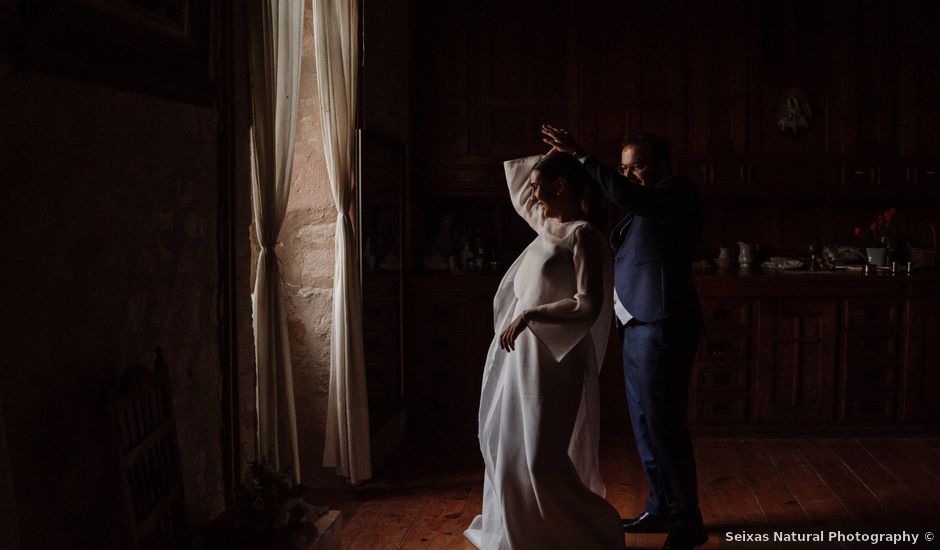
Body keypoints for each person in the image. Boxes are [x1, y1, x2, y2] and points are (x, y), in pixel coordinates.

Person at [541, 125, 708, 550]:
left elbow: (634, 197)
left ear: (664, 165)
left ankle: (687, 521)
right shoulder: (640, 204)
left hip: (663, 324)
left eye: (639, 167)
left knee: (664, 424)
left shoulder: (675, 193)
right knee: (643, 423)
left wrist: (582, 157)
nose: (630, 176)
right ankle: (661, 507)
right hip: (634, 325)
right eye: (625, 169)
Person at [464, 152, 623, 550]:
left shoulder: (583, 235)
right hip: (522, 354)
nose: (531, 195)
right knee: (511, 447)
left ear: (561, 187)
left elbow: (588, 303)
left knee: (541, 457)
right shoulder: (545, 224)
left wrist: (531, 314)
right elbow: (518, 185)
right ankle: (529, 536)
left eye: (540, 187)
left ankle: (596, 530)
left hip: (558, 355)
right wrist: (558, 152)